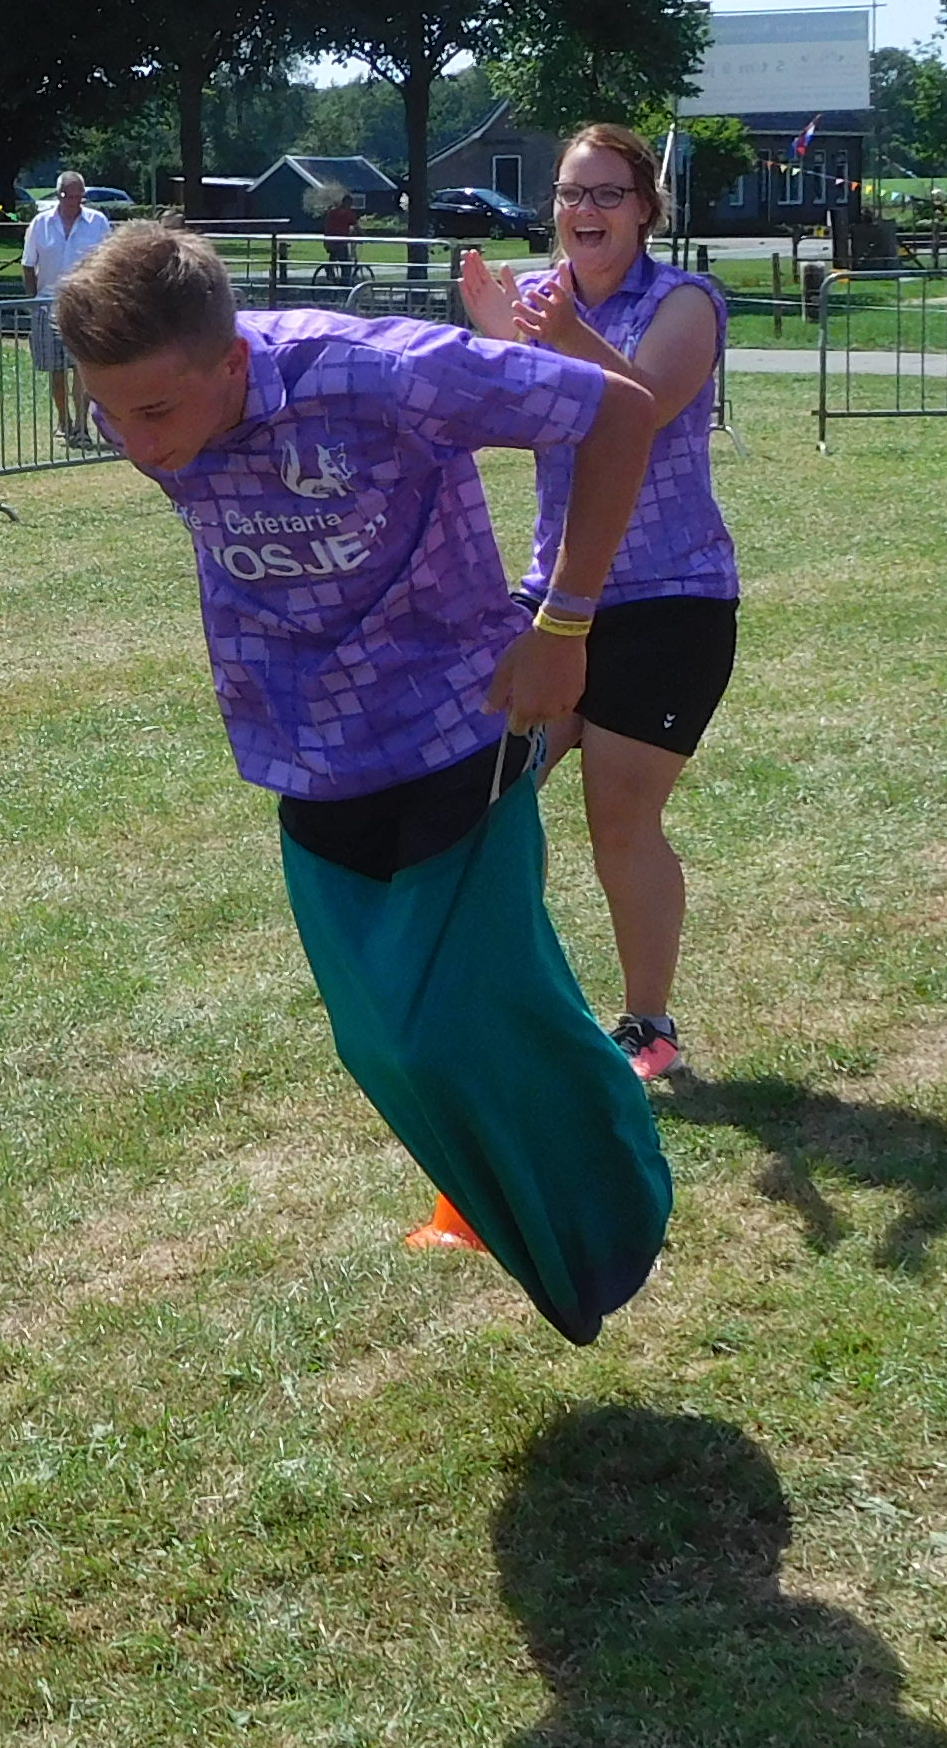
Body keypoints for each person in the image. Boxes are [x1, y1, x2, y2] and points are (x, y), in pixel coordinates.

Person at [54, 220, 669, 1344]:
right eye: (110, 415)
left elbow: (619, 411)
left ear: (232, 361)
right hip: (302, 750)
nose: (137, 447)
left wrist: (564, 622)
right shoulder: (168, 412)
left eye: (154, 413)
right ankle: (543, 1221)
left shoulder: (378, 372)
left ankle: (612, 1215)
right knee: (383, 1046)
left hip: (454, 730)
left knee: (460, 1030)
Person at [459, 121, 737, 1081]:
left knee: (618, 816)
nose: (586, 210)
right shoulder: (542, 300)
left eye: (608, 193)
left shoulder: (684, 302)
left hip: (671, 598)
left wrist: (560, 336)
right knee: (488, 796)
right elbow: (511, 417)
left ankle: (648, 1026)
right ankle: (511, 1006)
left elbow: (643, 409)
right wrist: (493, 340)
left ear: (645, 210)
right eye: (572, 193)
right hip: (554, 592)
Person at [21, 169, 115, 449]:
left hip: (85, 306)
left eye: (78, 196)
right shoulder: (40, 224)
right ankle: (64, 421)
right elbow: (28, 265)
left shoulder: (98, 223)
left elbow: (109, 262)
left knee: (82, 367)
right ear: (58, 195)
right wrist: (33, 301)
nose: (73, 201)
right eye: (67, 196)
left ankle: (82, 426)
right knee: (56, 370)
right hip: (47, 305)